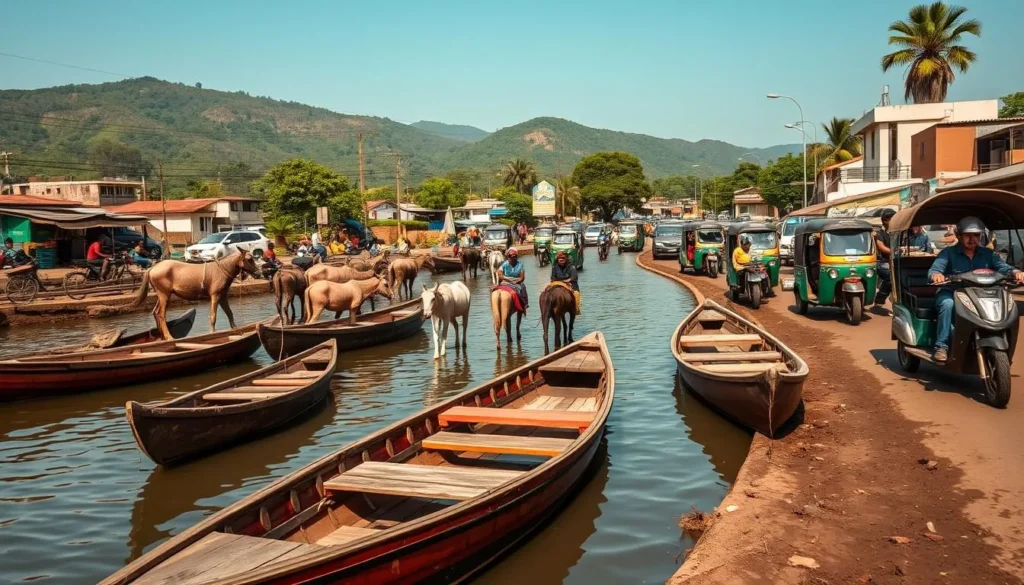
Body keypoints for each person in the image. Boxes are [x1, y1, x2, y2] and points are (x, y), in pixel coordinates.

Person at [927, 217, 1024, 362]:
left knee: (1006, 302)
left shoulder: (987, 254)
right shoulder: (948, 253)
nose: (972, 239)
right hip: (953, 292)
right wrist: (936, 275)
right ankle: (942, 346)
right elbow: (934, 270)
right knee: (947, 304)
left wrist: (1015, 272)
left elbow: (1003, 267)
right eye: (968, 235)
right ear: (958, 236)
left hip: (981, 293)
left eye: (976, 235)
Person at [874, 209, 895, 305]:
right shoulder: (880, 233)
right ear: (885, 220)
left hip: (895, 261)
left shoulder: (896, 232)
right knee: (891, 277)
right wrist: (895, 251)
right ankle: (880, 297)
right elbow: (881, 247)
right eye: (892, 219)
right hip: (883, 262)